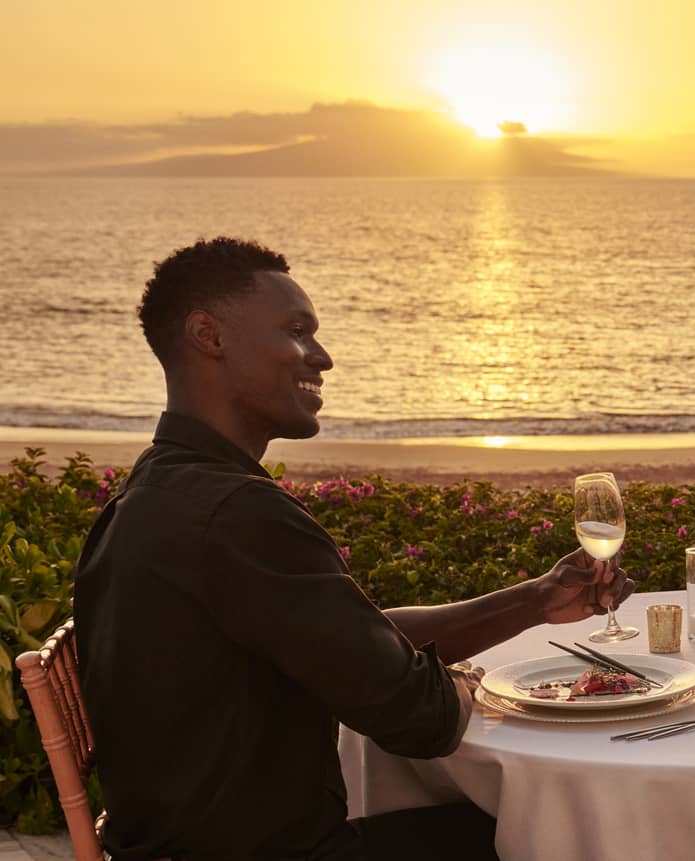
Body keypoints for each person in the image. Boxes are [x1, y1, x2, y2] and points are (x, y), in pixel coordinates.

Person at [74, 237, 634, 861]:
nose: (323, 357)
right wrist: (476, 684)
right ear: (209, 334)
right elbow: (422, 718)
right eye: (296, 331)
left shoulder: (157, 491)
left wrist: (534, 601)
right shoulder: (236, 514)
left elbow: (355, 640)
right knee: (582, 837)